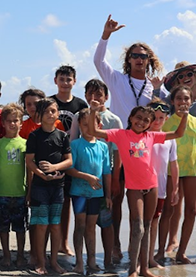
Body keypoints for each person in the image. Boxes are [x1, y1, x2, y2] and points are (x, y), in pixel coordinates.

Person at [93, 14, 165, 261]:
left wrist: (157, 91)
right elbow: (98, 61)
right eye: (134, 55)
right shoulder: (117, 79)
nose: (138, 59)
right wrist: (106, 35)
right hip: (117, 146)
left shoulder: (153, 86)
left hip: (142, 151)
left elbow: (168, 110)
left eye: (143, 56)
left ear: (149, 61)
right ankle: (114, 246)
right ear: (128, 60)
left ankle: (144, 254)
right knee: (115, 197)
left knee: (142, 204)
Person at [88, 100, 188, 277]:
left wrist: (185, 114)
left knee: (148, 226)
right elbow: (93, 131)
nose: (141, 122)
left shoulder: (151, 136)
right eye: (138, 118)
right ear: (131, 118)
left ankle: (144, 268)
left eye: (146, 120)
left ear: (149, 124)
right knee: (137, 227)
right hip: (134, 189)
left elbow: (179, 133)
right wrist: (92, 111)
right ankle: (132, 269)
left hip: (152, 186)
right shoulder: (120, 134)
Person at [157, 61, 196, 262]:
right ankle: (166, 246)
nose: (183, 101)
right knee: (172, 205)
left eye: (188, 74)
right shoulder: (168, 112)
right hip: (173, 164)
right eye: (180, 76)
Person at [25, 97, 73, 275]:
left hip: (58, 186)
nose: (50, 114)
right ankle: (41, 262)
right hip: (40, 187)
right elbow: (29, 161)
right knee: (41, 225)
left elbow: (69, 161)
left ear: (58, 113)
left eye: (53, 111)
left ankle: (54, 262)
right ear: (40, 115)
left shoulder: (62, 136)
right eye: (46, 112)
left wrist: (54, 168)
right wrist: (42, 174)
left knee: (55, 225)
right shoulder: (34, 136)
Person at [66, 108, 111, 274]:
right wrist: (87, 177)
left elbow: (107, 172)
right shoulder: (75, 145)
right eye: (84, 125)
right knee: (80, 225)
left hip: (97, 194)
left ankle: (91, 261)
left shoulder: (103, 147)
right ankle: (79, 261)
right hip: (79, 192)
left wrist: (108, 195)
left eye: (91, 124)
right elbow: (69, 169)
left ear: (99, 125)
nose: (87, 128)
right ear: (79, 125)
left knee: (91, 227)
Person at [50, 65, 88, 257]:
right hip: (52, 159)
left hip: (73, 159)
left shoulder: (81, 106)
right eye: (62, 79)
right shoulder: (49, 102)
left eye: (69, 79)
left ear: (74, 81)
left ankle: (65, 243)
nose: (65, 82)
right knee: (58, 203)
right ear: (55, 80)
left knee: (72, 202)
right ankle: (54, 243)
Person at [0, 103, 28, 267]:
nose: (13, 124)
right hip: (2, 193)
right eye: (9, 121)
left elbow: (30, 170)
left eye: (16, 120)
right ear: (3, 123)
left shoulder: (26, 144)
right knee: (3, 228)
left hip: (20, 193)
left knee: (20, 229)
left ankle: (20, 255)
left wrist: (29, 192)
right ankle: (6, 255)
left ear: (21, 122)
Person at [145, 101, 179, 269]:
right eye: (154, 118)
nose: (157, 121)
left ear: (166, 119)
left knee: (154, 222)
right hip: (142, 187)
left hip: (161, 188)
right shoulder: (142, 136)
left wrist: (176, 188)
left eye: (160, 118)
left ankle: (150, 257)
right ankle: (139, 257)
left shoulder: (169, 140)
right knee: (140, 223)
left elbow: (174, 164)